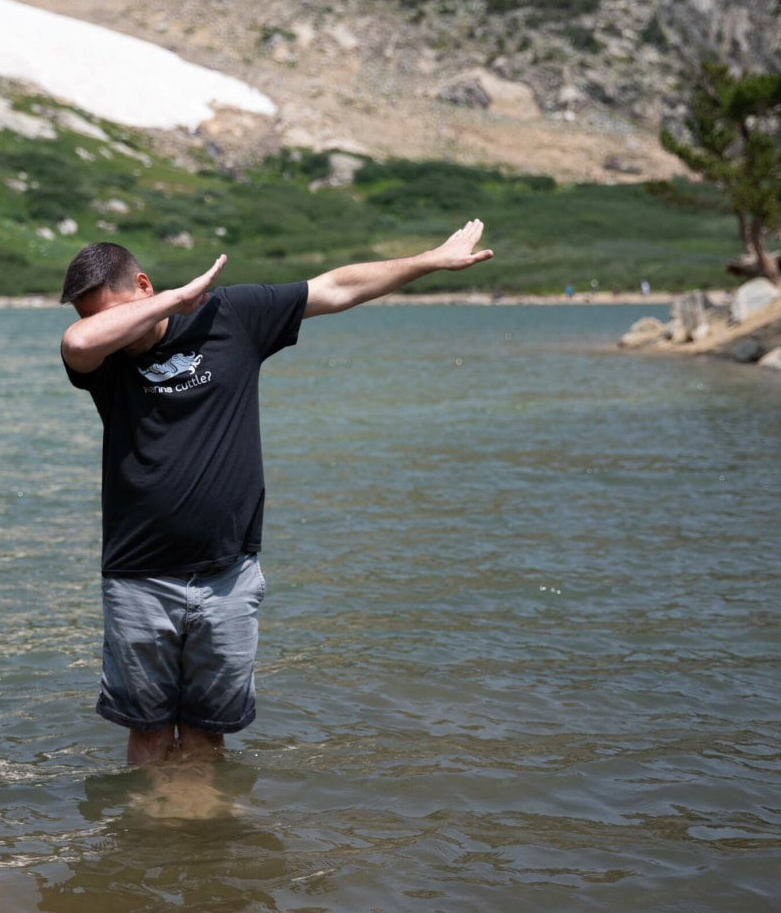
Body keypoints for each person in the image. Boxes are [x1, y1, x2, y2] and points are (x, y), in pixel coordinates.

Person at [60, 220, 494, 766]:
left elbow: (336, 288)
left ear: (142, 285)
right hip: (138, 580)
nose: (114, 329)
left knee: (205, 735)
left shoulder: (233, 315)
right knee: (147, 737)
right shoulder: (103, 362)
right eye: (102, 320)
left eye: (118, 311)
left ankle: (193, 844)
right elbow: (77, 341)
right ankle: (147, 833)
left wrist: (430, 259)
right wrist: (173, 300)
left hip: (228, 576)